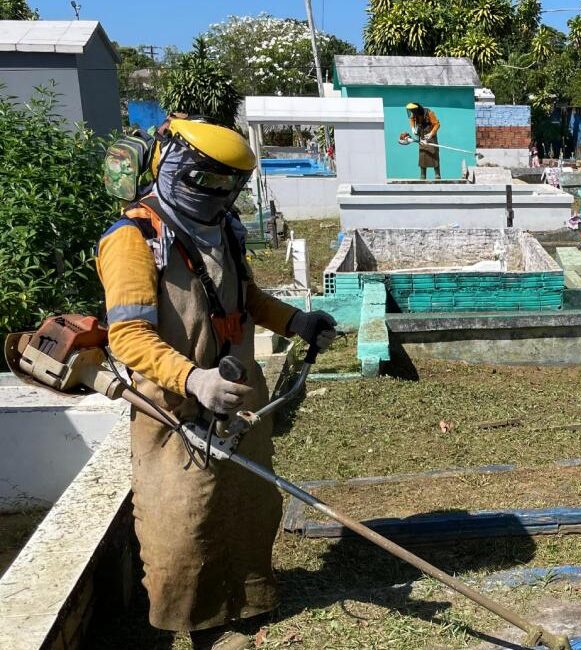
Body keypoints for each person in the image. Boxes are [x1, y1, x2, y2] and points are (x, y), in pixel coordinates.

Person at [96, 116, 337, 650]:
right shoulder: (133, 239)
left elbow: (245, 299)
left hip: (238, 396)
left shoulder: (223, 228)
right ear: (172, 166)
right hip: (174, 409)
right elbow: (128, 336)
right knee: (183, 523)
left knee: (248, 505)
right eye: (208, 180)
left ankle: (248, 601)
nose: (220, 194)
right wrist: (192, 379)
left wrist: (296, 321)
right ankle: (202, 626)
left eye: (231, 183)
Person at [405, 102, 441, 180]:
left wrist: (431, 133)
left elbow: (437, 124)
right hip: (421, 135)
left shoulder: (429, 113)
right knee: (422, 154)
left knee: (434, 153)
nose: (412, 113)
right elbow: (412, 119)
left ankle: (437, 174)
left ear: (417, 110)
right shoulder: (414, 113)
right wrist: (413, 128)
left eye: (413, 111)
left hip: (431, 136)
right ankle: (423, 175)